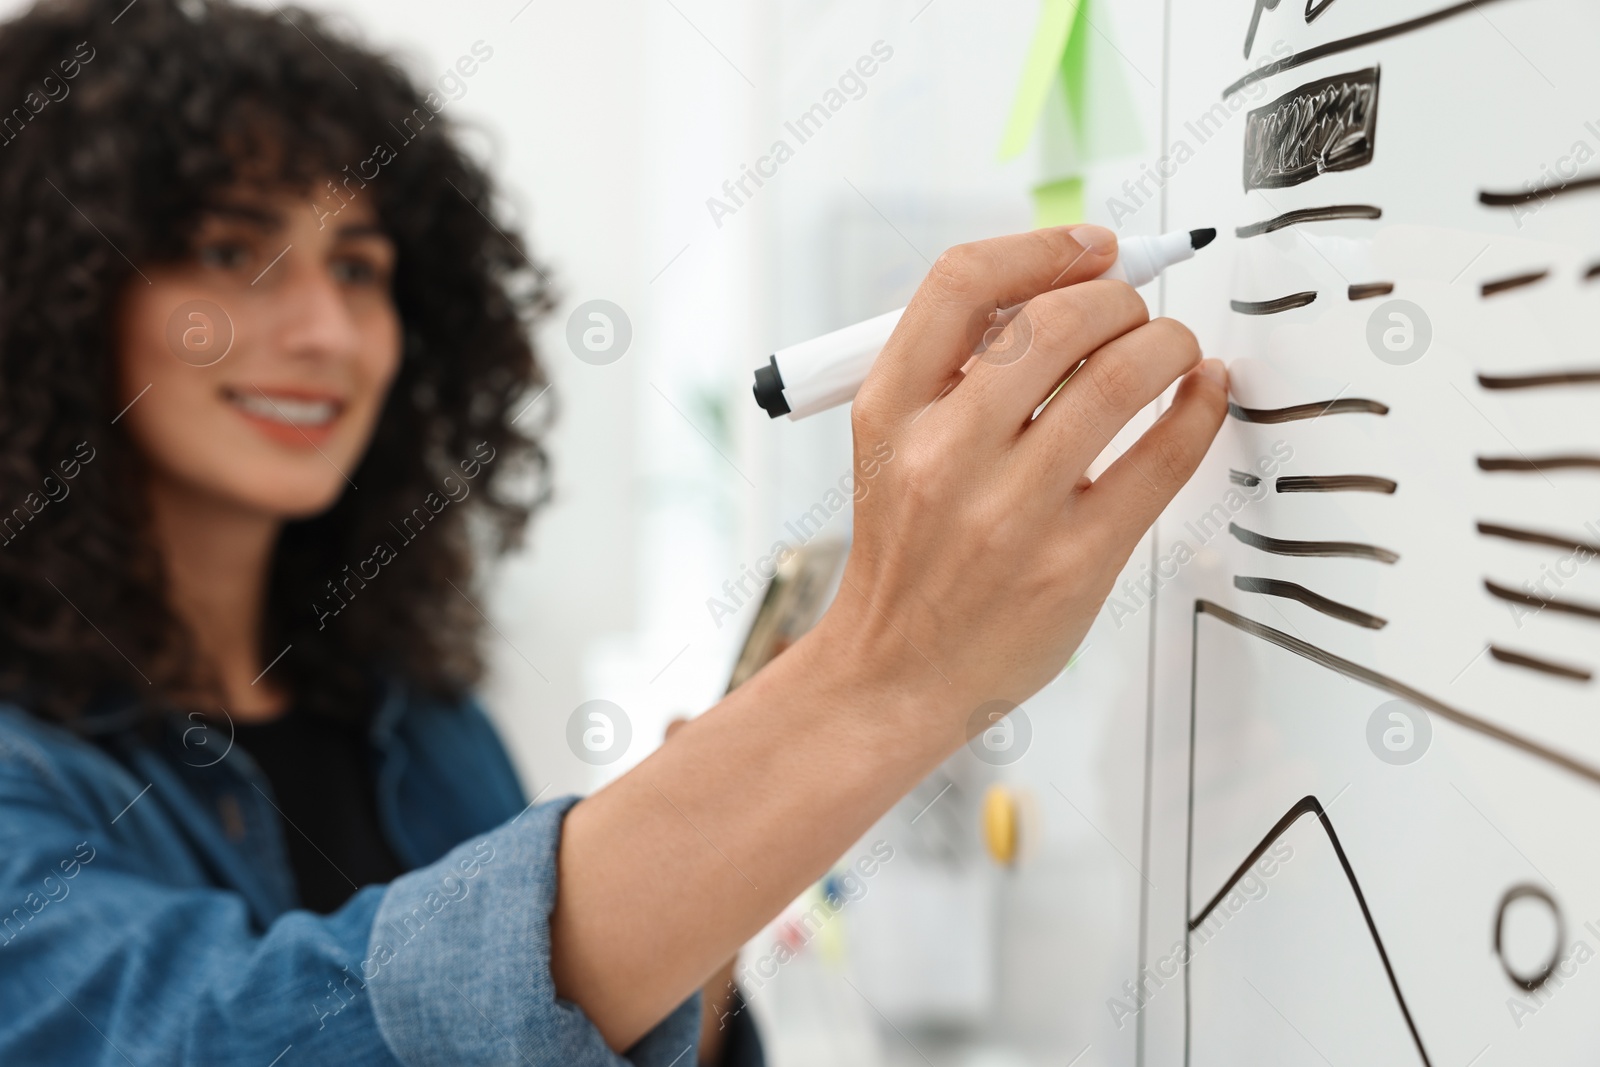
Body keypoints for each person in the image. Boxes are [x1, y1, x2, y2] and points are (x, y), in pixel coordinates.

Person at [0, 0, 1229, 1063]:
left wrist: (711, 863)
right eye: (231, 252)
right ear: (47, 297)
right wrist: (881, 673)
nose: (326, 329)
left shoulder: (414, 716)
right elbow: (223, 1035)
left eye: (362, 267)